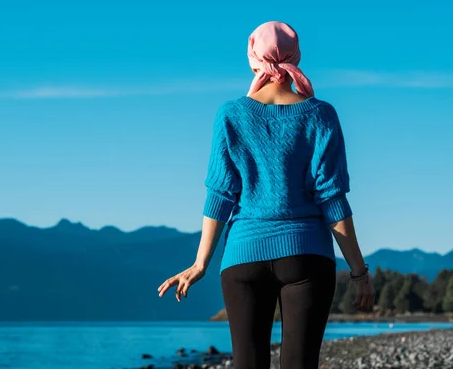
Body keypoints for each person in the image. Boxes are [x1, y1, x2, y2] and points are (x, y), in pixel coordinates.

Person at [157, 21, 375, 369]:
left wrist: (201, 264)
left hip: (243, 257)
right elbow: (332, 200)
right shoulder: (321, 115)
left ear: (252, 60)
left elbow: (220, 196)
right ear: (297, 57)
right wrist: (359, 271)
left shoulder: (231, 115)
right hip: (307, 255)